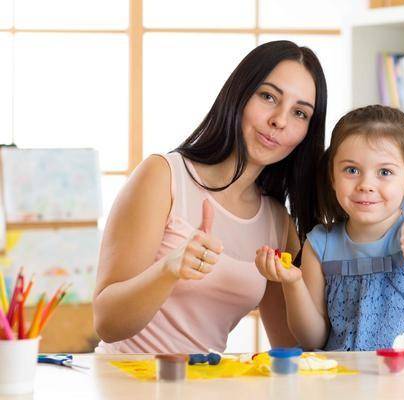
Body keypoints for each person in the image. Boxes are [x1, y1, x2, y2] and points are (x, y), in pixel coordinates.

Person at [92, 40, 327, 353]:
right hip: (128, 384)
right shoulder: (163, 176)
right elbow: (107, 323)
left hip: (207, 385)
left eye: (299, 113)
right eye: (268, 96)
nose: (280, 120)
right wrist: (169, 269)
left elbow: (292, 348)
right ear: (239, 95)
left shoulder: (277, 223)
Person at [255, 105, 404, 351]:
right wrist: (293, 283)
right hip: (348, 381)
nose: (366, 184)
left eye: (385, 172)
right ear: (333, 176)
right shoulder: (319, 245)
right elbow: (312, 340)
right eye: (352, 170)